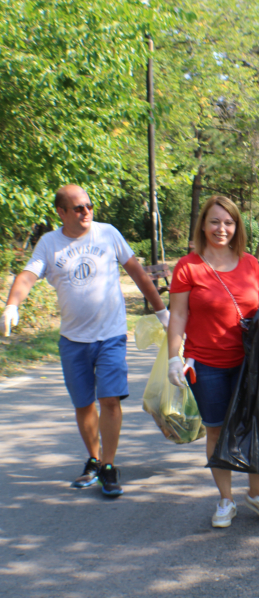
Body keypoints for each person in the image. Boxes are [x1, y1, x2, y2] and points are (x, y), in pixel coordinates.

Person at [2, 185, 169, 497]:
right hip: (73, 340)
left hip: (111, 335)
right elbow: (27, 276)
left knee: (109, 400)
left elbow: (136, 272)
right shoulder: (49, 243)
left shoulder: (107, 233)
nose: (86, 212)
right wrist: (12, 305)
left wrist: (162, 313)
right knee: (83, 403)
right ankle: (93, 459)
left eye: (89, 206)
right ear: (61, 212)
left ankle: (108, 465)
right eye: (78, 208)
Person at [167, 195, 259, 528]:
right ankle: (226, 499)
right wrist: (175, 357)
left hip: (250, 363)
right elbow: (177, 315)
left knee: (255, 428)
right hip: (206, 364)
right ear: (203, 224)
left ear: (237, 227)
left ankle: (257, 494)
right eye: (215, 221)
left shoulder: (249, 263)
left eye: (229, 222)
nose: (222, 228)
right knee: (216, 431)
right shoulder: (188, 266)